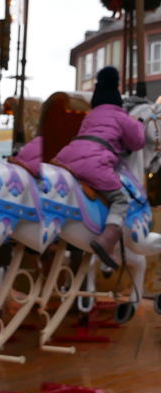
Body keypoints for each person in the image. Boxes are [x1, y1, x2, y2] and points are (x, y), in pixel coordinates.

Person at [53, 66, 145, 271]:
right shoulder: (121, 116)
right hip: (94, 163)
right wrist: (138, 123)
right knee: (120, 199)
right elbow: (138, 142)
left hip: (67, 157)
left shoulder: (91, 115)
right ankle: (108, 239)